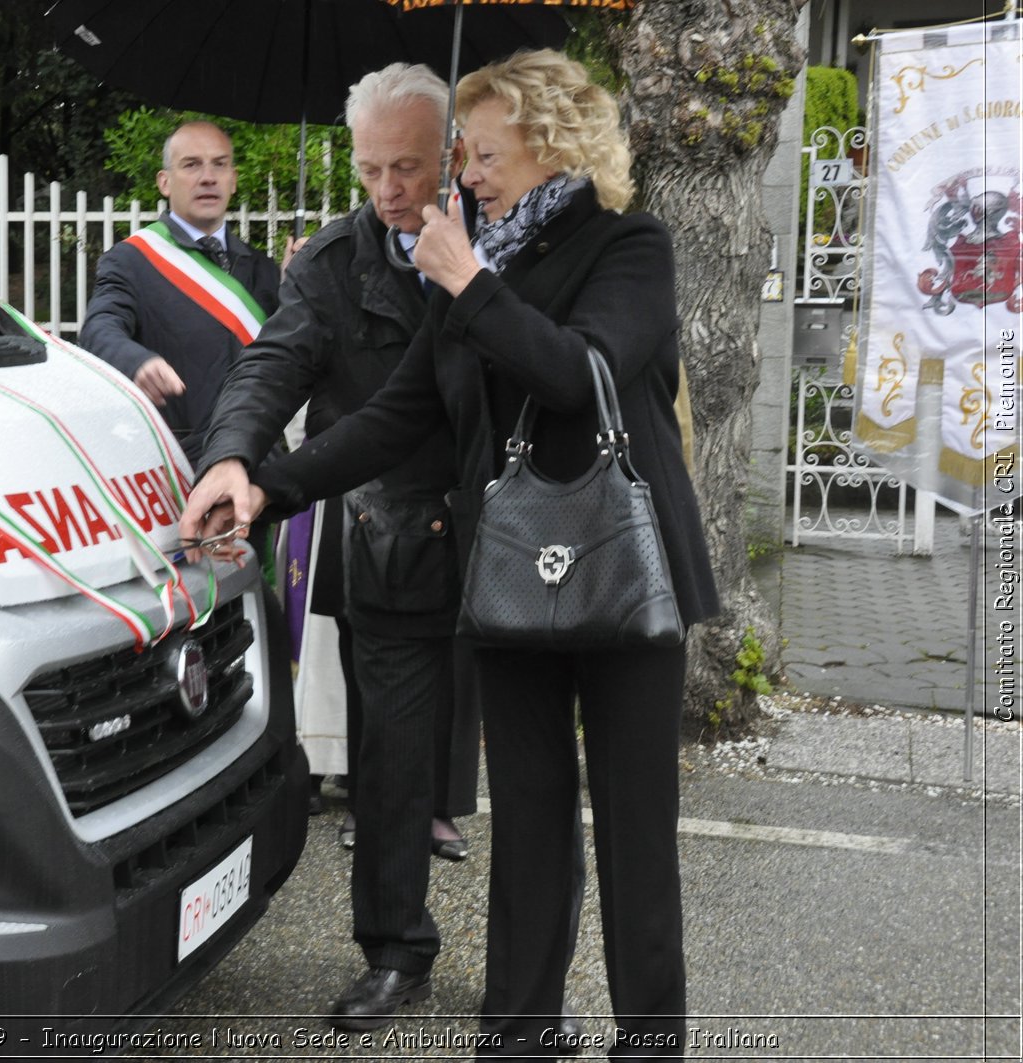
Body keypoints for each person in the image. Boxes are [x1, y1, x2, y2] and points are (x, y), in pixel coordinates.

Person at [184, 50, 720, 1060]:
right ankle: (515, 1038)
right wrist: (265, 483)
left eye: (479, 153)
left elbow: (580, 374)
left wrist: (468, 282)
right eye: (463, 155)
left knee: (635, 837)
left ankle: (650, 1041)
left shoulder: (627, 246)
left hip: (620, 575)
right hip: (509, 579)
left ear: (551, 141)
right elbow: (398, 414)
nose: (461, 175)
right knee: (525, 827)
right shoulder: (469, 267)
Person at [189, 63, 549, 1036]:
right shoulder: (333, 260)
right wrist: (233, 454)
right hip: (387, 538)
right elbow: (274, 362)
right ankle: (394, 950)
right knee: (390, 767)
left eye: (411, 166)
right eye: (371, 167)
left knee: (526, 769)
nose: (391, 189)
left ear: (455, 156)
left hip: (516, 538)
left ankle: (526, 985)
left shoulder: (510, 240)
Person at [80, 120, 282, 464]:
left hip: (259, 460)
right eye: (191, 165)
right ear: (164, 182)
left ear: (233, 180)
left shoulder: (264, 269)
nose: (208, 177)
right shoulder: (132, 260)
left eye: (219, 164)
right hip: (180, 463)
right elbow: (99, 328)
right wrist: (137, 361)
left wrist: (302, 285)